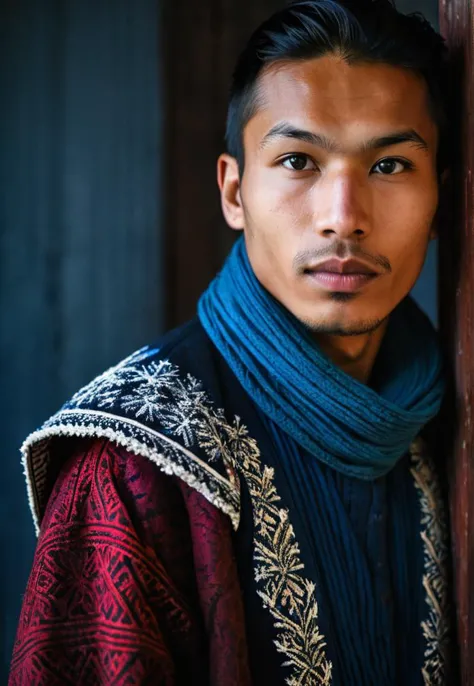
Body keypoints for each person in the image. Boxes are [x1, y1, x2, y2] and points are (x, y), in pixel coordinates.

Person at [10, 1, 452, 684]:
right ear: (235, 191)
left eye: (389, 166)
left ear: (439, 204)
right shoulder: (130, 467)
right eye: (299, 160)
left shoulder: (438, 427)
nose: (344, 218)